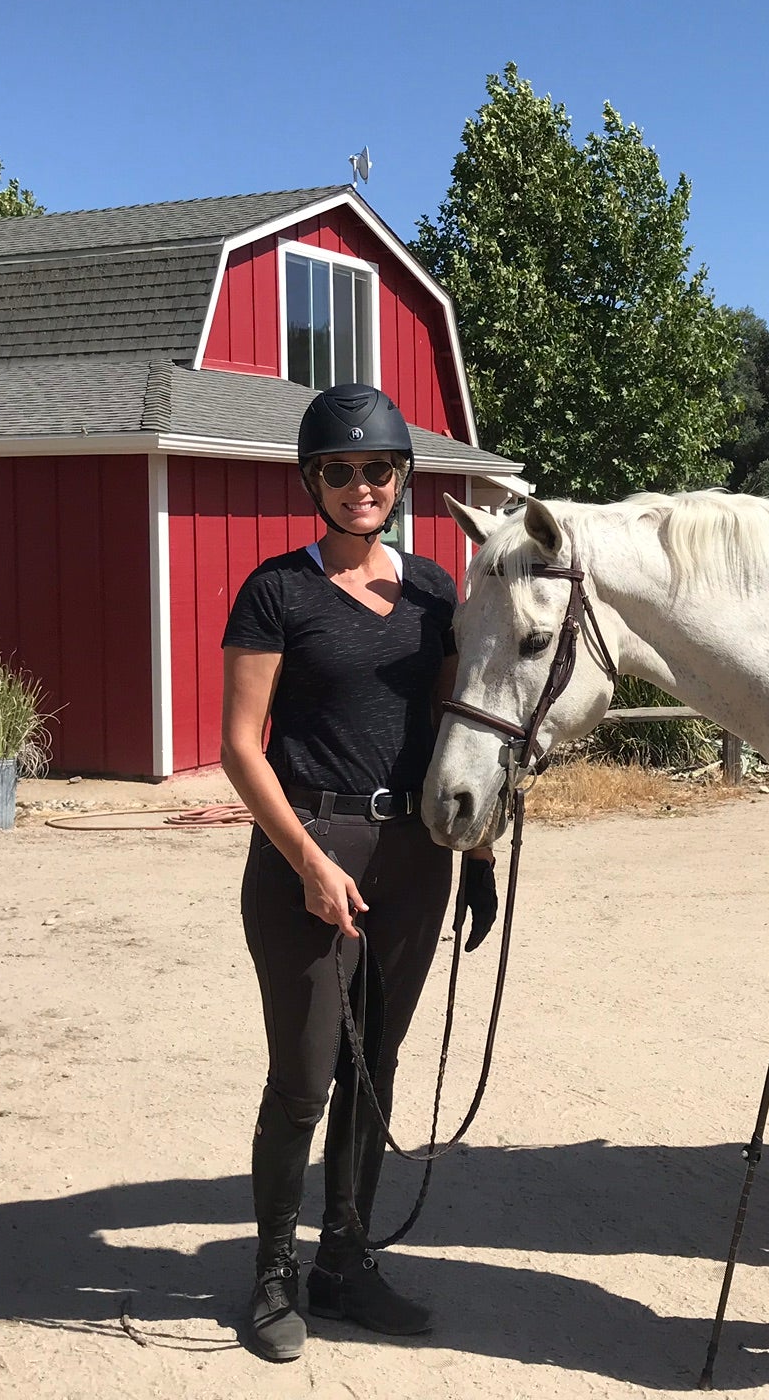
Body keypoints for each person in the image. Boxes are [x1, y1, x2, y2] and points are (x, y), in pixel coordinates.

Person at [220, 382, 498, 1362]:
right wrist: (304, 857)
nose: (359, 485)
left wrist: (480, 852)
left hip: (415, 856)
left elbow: (454, 725)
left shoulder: (432, 590)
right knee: (301, 1079)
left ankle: (345, 1264)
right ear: (313, 482)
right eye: (338, 471)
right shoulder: (275, 591)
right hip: (308, 851)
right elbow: (239, 747)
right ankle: (269, 1277)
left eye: (376, 468)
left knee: (371, 1075)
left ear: (400, 476)